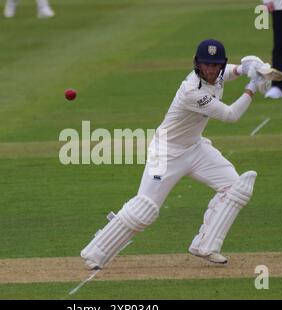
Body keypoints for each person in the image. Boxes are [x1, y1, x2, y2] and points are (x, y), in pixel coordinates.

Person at [80, 39, 268, 270]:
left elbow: (227, 73)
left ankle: (206, 245)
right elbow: (230, 115)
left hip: (195, 148)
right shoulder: (191, 91)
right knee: (144, 209)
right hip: (166, 152)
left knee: (236, 187)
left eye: (215, 65)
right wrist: (252, 87)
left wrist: (242, 69)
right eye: (206, 65)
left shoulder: (217, 74)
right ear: (197, 64)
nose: (211, 70)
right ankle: (95, 252)